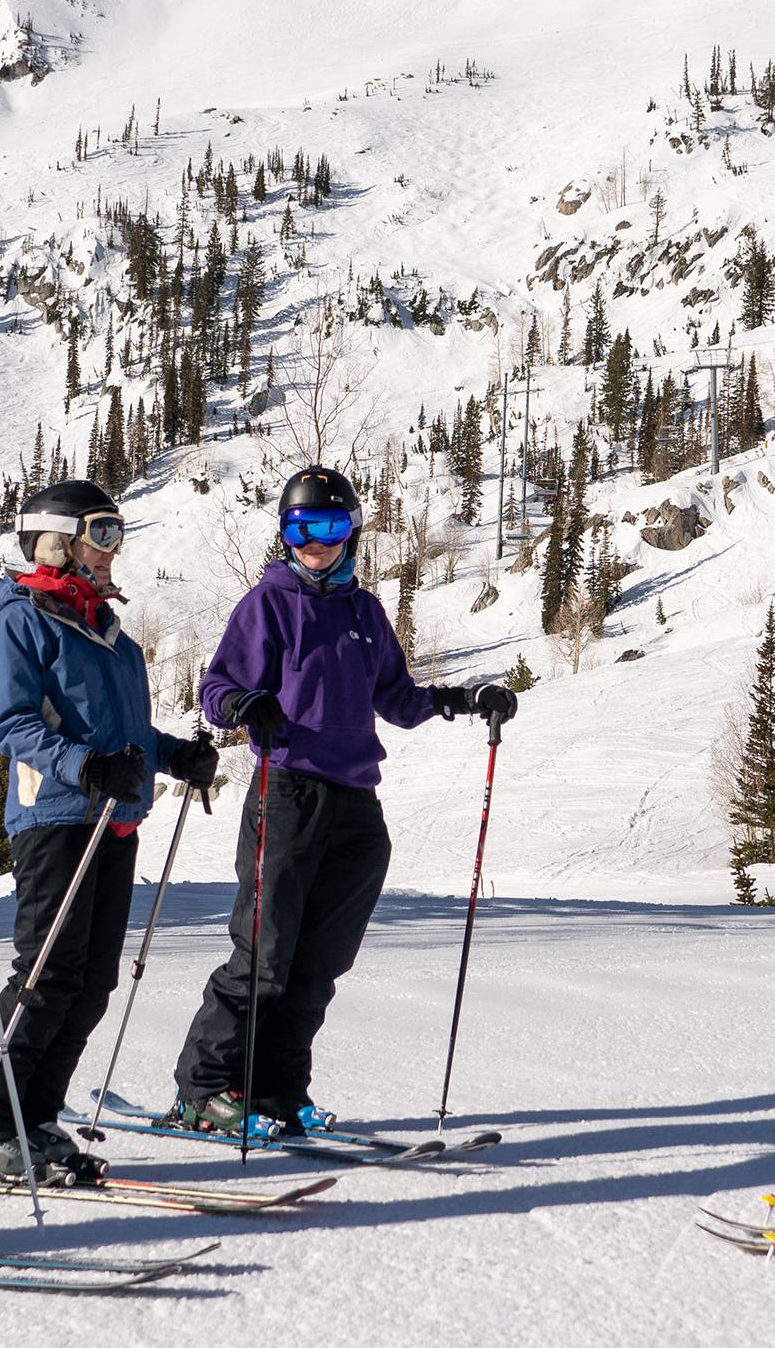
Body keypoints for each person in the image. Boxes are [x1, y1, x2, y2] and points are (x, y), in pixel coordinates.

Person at [169, 465, 517, 1134]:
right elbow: (218, 691)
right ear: (285, 534)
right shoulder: (268, 604)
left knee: (320, 964)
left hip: (356, 802)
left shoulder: (363, 612)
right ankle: (204, 1090)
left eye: (328, 527)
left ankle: (276, 1091)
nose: (314, 543)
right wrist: (248, 704)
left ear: (351, 533)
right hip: (287, 794)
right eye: (300, 528)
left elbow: (399, 697)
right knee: (263, 957)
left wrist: (463, 699)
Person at [0, 479, 217, 1176]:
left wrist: (174, 754)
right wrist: (85, 768)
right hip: (56, 817)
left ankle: (33, 1119)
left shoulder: (110, 633)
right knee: (46, 976)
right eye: (102, 534)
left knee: (91, 982)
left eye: (118, 535)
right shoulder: (21, 620)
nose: (112, 551)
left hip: (112, 820)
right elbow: (13, 725)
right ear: (57, 540)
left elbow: (122, 732)